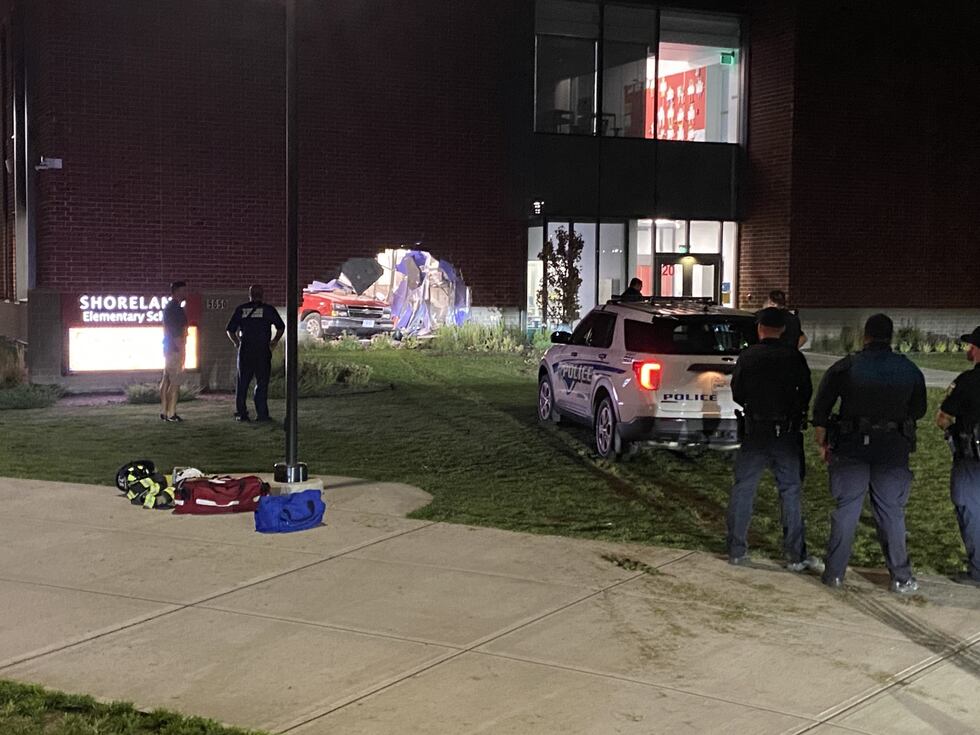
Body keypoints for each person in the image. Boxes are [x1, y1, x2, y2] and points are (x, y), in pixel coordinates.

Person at [812, 314, 927, 593]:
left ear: (866, 336)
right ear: (891, 337)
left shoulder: (846, 366)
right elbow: (919, 410)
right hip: (891, 450)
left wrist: (823, 442)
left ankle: (835, 574)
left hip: (851, 448)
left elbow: (822, 408)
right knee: (891, 513)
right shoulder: (908, 369)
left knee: (847, 511)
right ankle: (901, 577)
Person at [727, 307, 818, 571]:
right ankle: (795, 555)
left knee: (743, 490)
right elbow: (806, 391)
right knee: (789, 492)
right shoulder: (793, 358)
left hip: (755, 431)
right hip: (786, 433)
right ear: (783, 330)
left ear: (760, 329)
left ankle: (736, 550)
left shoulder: (748, 356)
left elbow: (737, 392)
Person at [935, 325, 980, 587]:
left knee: (969, 509)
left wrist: (952, 431)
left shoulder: (966, 382)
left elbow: (942, 418)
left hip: (970, 459)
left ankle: (977, 570)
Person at [226, 285, 285, 422]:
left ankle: (242, 414)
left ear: (250, 294)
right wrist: (274, 341)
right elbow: (281, 327)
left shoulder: (241, 309)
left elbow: (230, 330)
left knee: (242, 384)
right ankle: (262, 414)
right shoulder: (268, 310)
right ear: (262, 294)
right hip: (262, 351)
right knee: (262, 383)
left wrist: (237, 342)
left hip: (246, 351)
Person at [159, 281, 188, 423]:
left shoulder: (168, 308)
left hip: (168, 348)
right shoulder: (176, 309)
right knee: (175, 382)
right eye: (183, 291)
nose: (185, 293)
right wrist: (182, 351)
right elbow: (178, 332)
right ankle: (172, 413)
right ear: (176, 291)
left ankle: (164, 411)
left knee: (166, 379)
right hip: (175, 348)